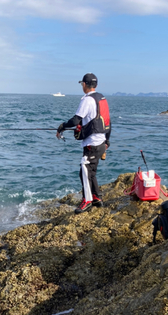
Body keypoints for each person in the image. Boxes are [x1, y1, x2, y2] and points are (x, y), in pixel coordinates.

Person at [57, 73, 111, 214]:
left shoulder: (87, 100)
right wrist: (107, 141)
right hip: (101, 143)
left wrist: (62, 126)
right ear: (96, 85)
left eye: (82, 84)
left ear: (85, 85)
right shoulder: (102, 98)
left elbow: (75, 120)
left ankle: (87, 200)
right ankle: (96, 198)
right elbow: (108, 122)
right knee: (90, 172)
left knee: (85, 172)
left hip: (92, 145)